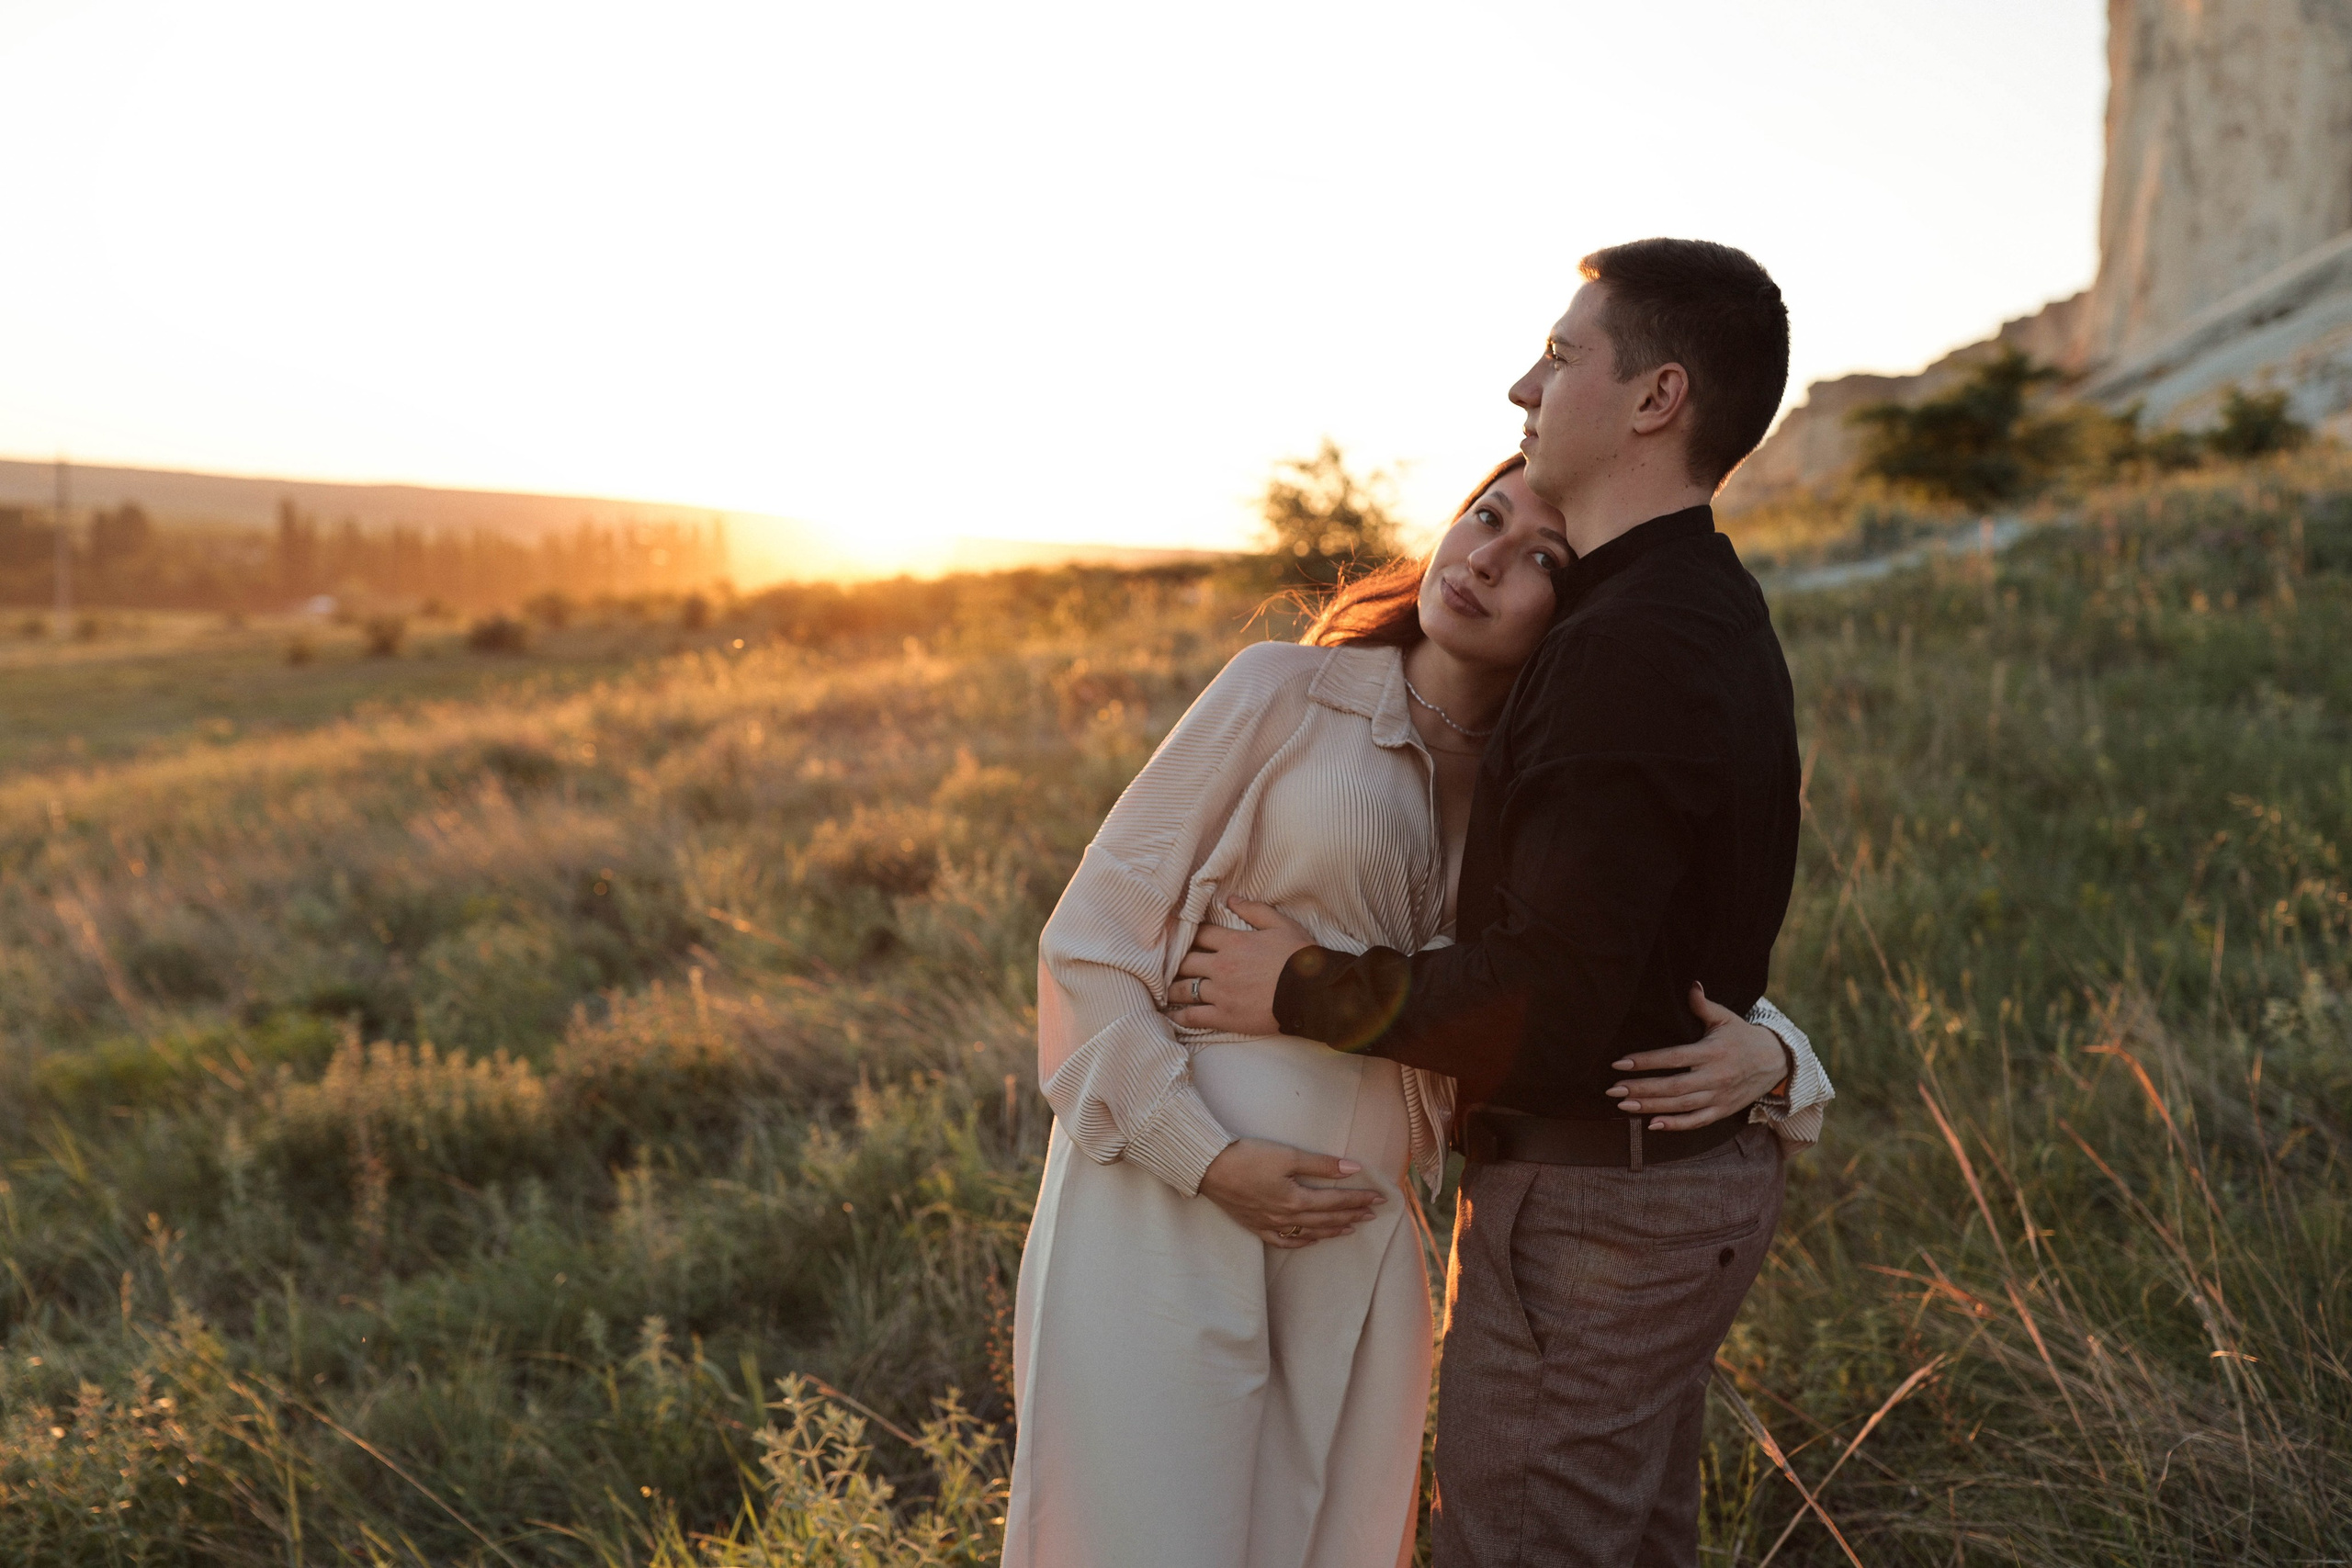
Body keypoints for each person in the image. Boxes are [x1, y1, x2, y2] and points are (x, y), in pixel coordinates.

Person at [1006, 448, 1832, 1564]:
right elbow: (1090, 942)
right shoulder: (1280, 691)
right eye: (1483, 517)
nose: (1486, 560)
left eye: (1541, 555)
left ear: (1577, 609)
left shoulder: (1544, 774)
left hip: (1361, 1233)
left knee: (1322, 1538)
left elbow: (1595, 968)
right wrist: (1201, 1156)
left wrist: (1780, 1059)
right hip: (1172, 1197)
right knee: (1148, 1531)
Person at [1173, 237, 1809, 1567]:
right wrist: (1782, 1052)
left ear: (1656, 398)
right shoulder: (1696, 604)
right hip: (1662, 1197)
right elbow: (1663, 933)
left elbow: (1561, 994)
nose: (1525, 383)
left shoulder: (1626, 646)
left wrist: (1302, 983)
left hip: (1599, 1221)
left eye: (1565, 353)